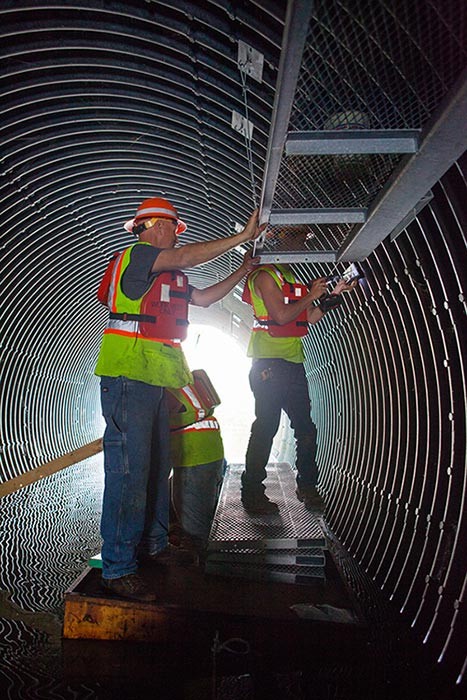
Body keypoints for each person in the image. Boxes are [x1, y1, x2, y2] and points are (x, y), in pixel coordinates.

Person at [95, 196, 263, 600]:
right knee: (129, 473)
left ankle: (154, 546)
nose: (175, 232)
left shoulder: (167, 277)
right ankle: (117, 568)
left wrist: (242, 269)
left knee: (157, 469)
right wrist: (241, 236)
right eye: (171, 226)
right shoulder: (137, 256)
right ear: (150, 226)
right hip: (128, 374)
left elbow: (204, 300)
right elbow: (185, 257)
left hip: (156, 379)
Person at [240, 226, 357, 514]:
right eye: (298, 237)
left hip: (293, 363)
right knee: (266, 426)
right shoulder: (265, 275)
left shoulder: (289, 277)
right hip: (268, 364)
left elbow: (306, 321)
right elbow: (280, 317)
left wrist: (329, 298)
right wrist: (311, 295)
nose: (303, 243)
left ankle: (308, 486)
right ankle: (252, 491)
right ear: (279, 242)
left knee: (305, 428)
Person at [167, 369, 225, 566]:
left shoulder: (158, 385)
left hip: (193, 458)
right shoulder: (180, 376)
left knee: (194, 532)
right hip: (209, 453)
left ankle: (201, 579)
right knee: (201, 520)